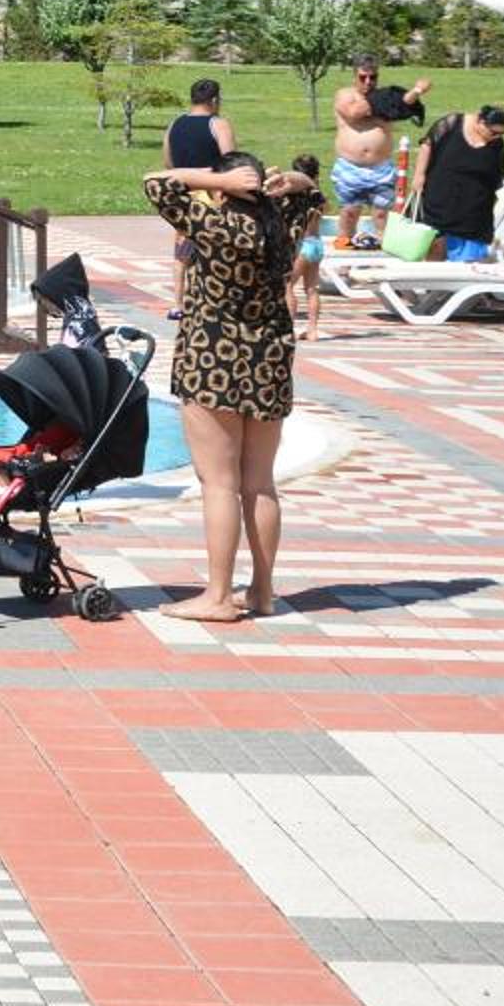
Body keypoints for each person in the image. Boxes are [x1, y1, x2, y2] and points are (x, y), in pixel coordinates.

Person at [141, 150, 317, 623]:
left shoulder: (211, 224)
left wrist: (215, 177)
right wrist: (288, 180)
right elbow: (312, 192)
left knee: (219, 483)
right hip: (270, 362)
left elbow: (156, 181)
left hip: (212, 360)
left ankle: (218, 596)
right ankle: (261, 591)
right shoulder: (281, 226)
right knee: (259, 482)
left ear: (226, 189)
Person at [330, 57, 431, 251]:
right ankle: (343, 249)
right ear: (354, 76)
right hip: (351, 168)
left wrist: (417, 91)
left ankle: (383, 252)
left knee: (382, 214)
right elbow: (355, 112)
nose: (368, 82)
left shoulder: (386, 97)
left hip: (381, 168)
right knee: (350, 211)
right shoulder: (345, 95)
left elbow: (403, 104)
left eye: (373, 77)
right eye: (363, 77)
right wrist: (394, 101)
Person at [163, 80, 235, 318]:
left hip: (183, 195)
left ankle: (178, 304)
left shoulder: (175, 124)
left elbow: (168, 162)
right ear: (214, 100)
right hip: (210, 195)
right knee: (215, 249)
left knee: (182, 252)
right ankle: (215, 300)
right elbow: (230, 162)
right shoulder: (218, 124)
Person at [407, 104, 504, 263]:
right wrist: (419, 175)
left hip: (474, 208)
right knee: (436, 243)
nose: (496, 136)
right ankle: (432, 281)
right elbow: (427, 144)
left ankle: (464, 281)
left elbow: (499, 175)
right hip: (440, 198)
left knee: (471, 255)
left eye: (501, 133)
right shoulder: (452, 123)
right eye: (493, 132)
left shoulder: (497, 144)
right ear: (479, 121)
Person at [284, 154, 326, 341]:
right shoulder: (319, 196)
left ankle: (289, 328)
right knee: (312, 289)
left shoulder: (298, 196)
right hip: (317, 244)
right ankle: (313, 330)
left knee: (287, 286)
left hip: (302, 245)